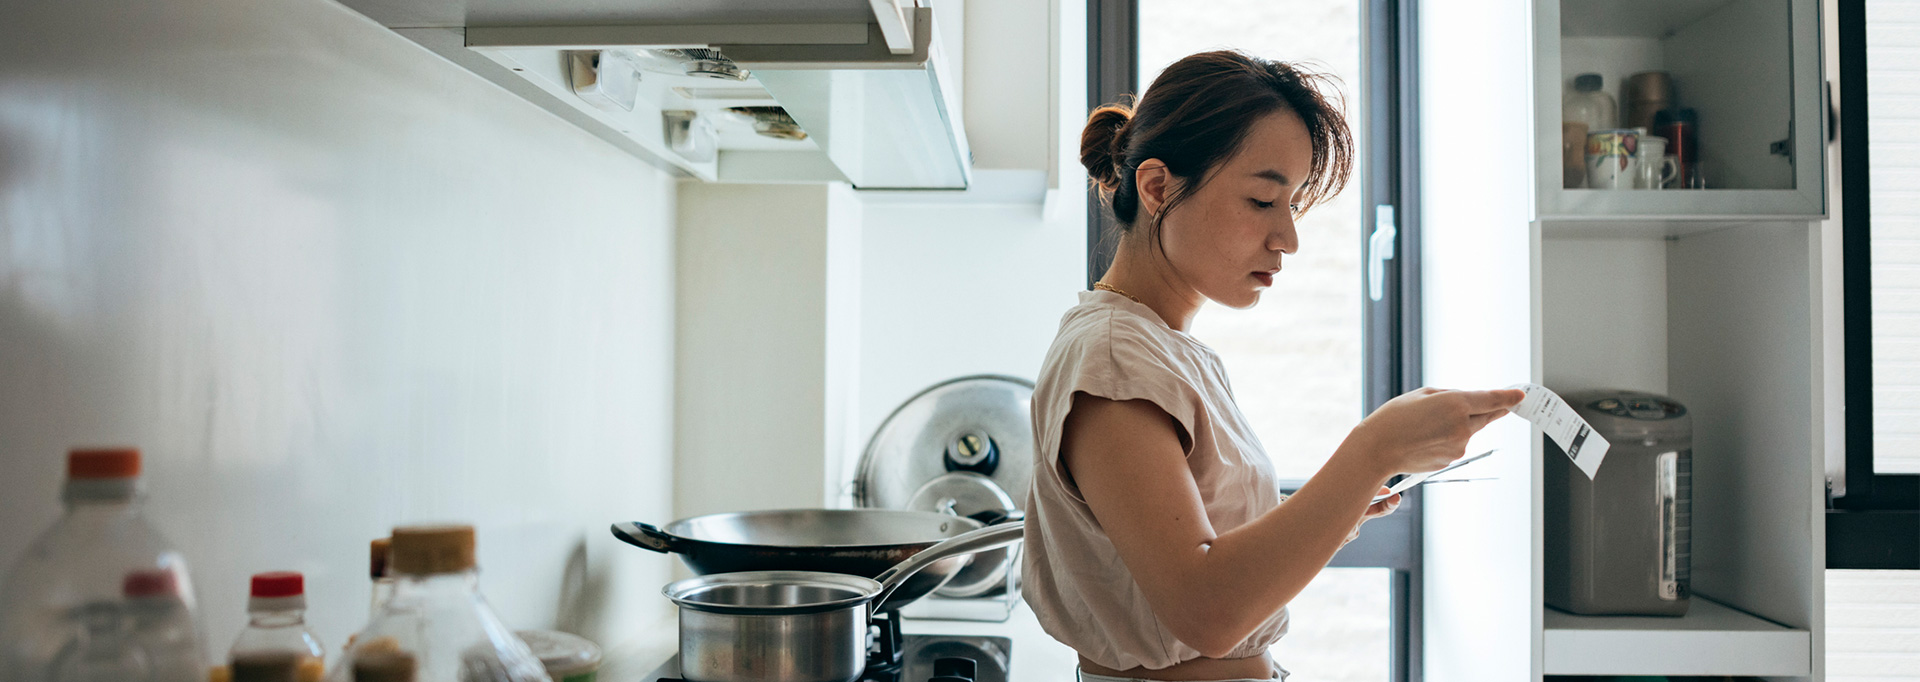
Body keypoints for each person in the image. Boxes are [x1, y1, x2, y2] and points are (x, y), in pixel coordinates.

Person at [1023, 50, 1525, 682]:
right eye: (1263, 200)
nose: (1288, 237)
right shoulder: (1116, 356)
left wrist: (1337, 505)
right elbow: (1205, 610)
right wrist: (1369, 451)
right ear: (1156, 188)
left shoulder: (1160, 348)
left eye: (1293, 205)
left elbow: (1203, 556)